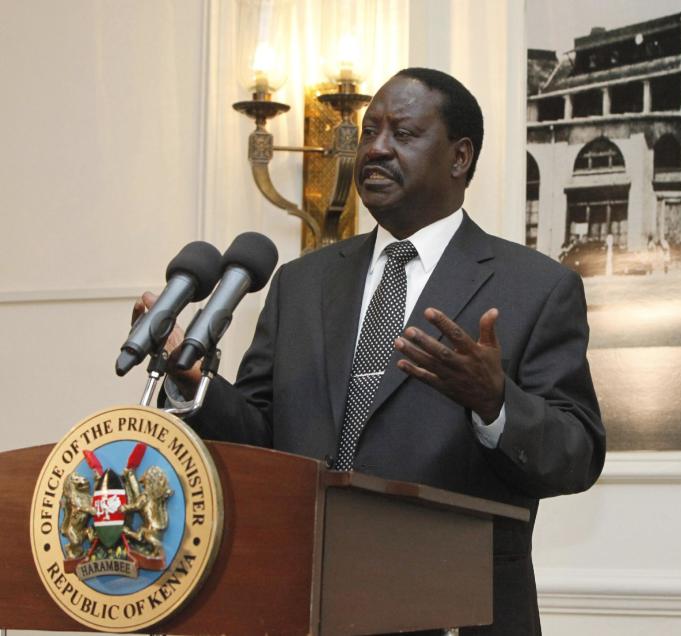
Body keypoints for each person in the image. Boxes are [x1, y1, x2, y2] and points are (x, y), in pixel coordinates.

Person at [136, 68, 605, 634]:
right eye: (369, 131)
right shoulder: (301, 283)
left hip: (456, 612)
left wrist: (495, 401)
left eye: (403, 134)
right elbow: (262, 439)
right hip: (299, 604)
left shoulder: (534, 287)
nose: (376, 148)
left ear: (459, 158)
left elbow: (577, 454)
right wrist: (194, 386)